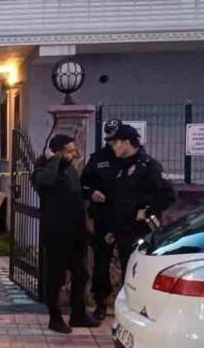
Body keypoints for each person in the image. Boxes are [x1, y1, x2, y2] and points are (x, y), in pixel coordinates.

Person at [32, 135, 97, 334]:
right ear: (57, 152)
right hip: (56, 233)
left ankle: (78, 314)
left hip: (76, 231)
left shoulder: (70, 168)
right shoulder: (43, 168)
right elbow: (45, 183)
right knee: (55, 277)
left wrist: (90, 195)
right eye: (70, 151)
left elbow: (74, 192)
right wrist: (54, 161)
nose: (75, 154)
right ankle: (55, 317)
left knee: (81, 274)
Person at [105, 124, 176, 275]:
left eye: (115, 143)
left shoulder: (149, 166)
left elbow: (168, 195)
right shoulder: (121, 167)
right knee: (127, 273)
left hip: (142, 232)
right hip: (123, 232)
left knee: (141, 274)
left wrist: (147, 211)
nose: (112, 147)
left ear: (126, 142)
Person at [81, 119, 124, 322]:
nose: (113, 144)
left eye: (116, 140)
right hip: (103, 217)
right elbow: (82, 185)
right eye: (110, 140)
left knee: (131, 262)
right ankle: (100, 303)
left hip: (128, 220)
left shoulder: (135, 160)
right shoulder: (98, 159)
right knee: (101, 263)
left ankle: (130, 304)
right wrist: (92, 194)